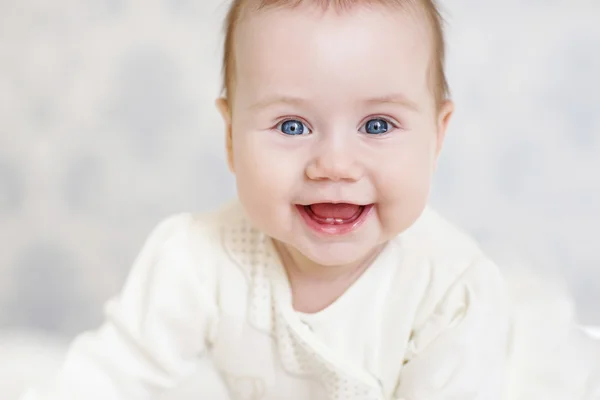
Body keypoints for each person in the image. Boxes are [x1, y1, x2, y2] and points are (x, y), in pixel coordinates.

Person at [21, 0, 600, 399]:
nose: (334, 166)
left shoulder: (452, 291)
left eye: (377, 125)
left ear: (437, 135)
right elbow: (109, 375)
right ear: (229, 136)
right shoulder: (195, 256)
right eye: (293, 126)